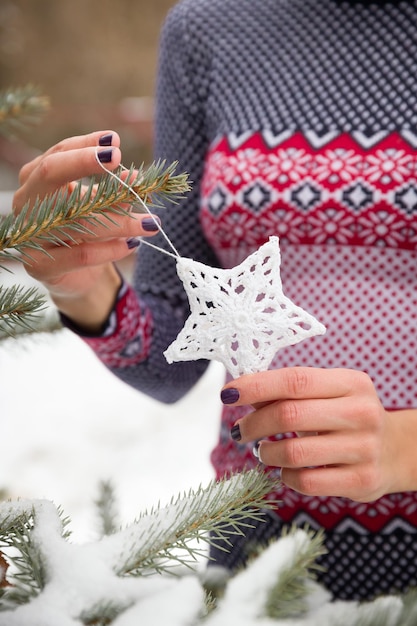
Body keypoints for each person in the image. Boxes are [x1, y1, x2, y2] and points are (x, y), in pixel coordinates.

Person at [13, 0, 417, 602]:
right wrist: (83, 288)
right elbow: (168, 360)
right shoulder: (208, 32)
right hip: (255, 563)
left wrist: (403, 447)